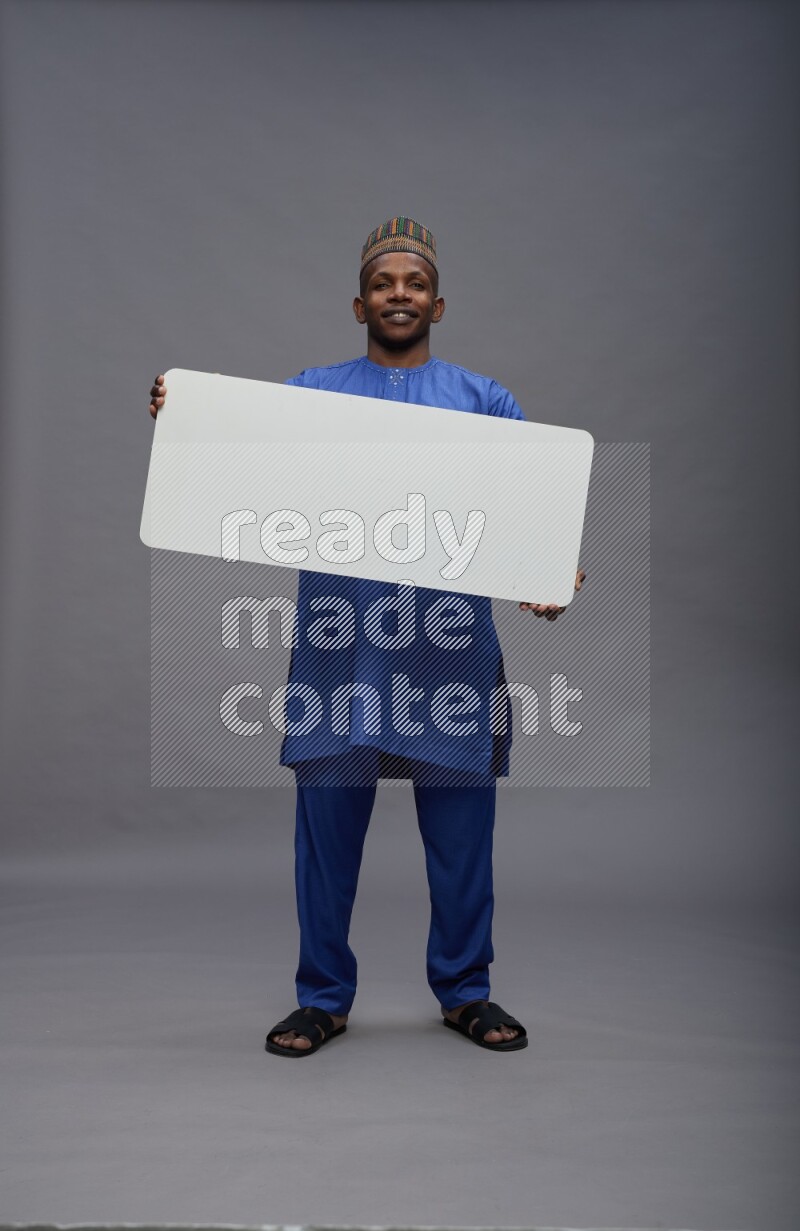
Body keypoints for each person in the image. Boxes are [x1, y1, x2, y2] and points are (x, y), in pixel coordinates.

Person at [148, 216, 585, 1056]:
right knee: (326, 831)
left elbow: (533, 508)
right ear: (359, 302)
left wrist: (551, 571)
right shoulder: (312, 391)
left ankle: (466, 991)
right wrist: (182, 415)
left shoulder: (485, 401)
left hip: (449, 650)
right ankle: (321, 996)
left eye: (413, 284)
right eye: (384, 284)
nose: (398, 295)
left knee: (462, 838)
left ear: (438, 303)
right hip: (342, 649)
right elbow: (236, 458)